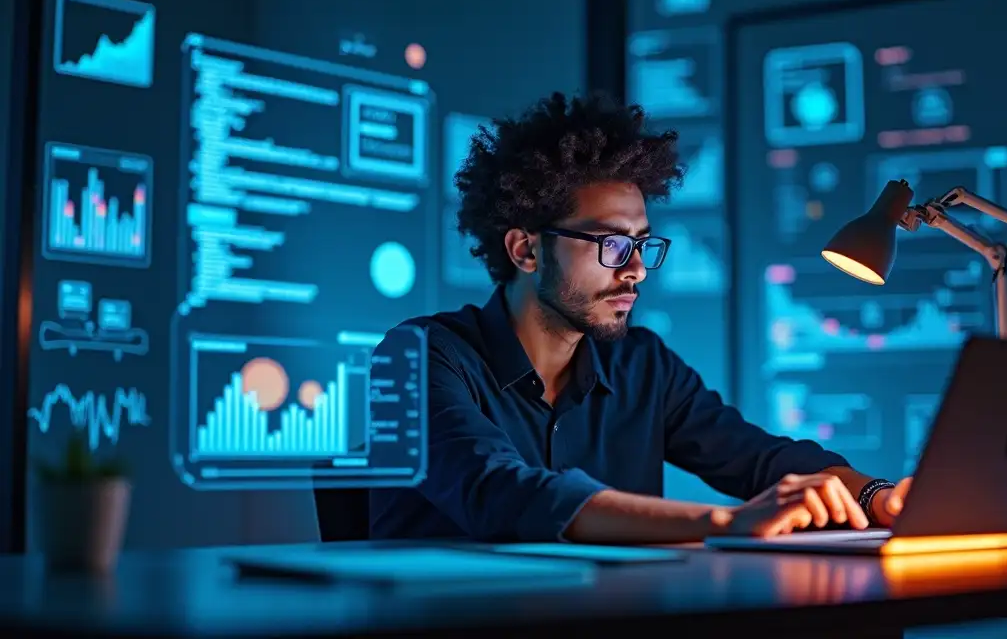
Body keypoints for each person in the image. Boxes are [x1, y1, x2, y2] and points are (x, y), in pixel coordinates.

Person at [369, 93, 912, 543]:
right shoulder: (415, 357)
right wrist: (727, 524)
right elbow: (501, 494)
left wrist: (875, 496)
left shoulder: (641, 364)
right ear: (525, 251)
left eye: (642, 245)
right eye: (610, 244)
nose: (636, 271)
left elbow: (759, 457)